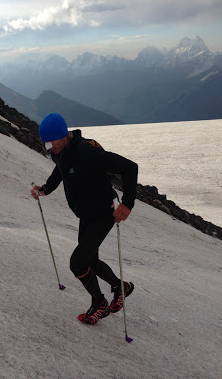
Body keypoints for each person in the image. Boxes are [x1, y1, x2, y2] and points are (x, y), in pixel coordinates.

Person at [30, 113, 139, 325]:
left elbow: (130, 167)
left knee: (78, 263)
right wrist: (45, 189)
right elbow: (60, 169)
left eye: (52, 142)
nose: (50, 148)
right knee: (90, 260)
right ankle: (121, 287)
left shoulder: (87, 152)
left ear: (64, 136)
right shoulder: (61, 152)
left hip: (105, 212)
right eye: (47, 144)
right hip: (87, 214)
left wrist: (127, 203)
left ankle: (99, 304)